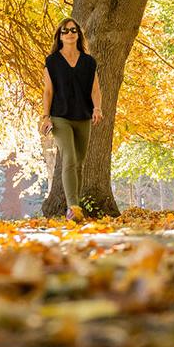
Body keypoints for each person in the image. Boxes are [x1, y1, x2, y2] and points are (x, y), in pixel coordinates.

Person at [40, 18, 104, 220]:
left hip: (83, 117)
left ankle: (76, 204)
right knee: (68, 156)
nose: (69, 33)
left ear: (78, 34)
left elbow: (95, 89)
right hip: (60, 117)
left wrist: (97, 108)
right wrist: (45, 117)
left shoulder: (88, 62)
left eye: (73, 30)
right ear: (59, 36)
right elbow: (48, 92)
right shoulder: (52, 61)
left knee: (79, 162)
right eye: (65, 31)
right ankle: (73, 208)